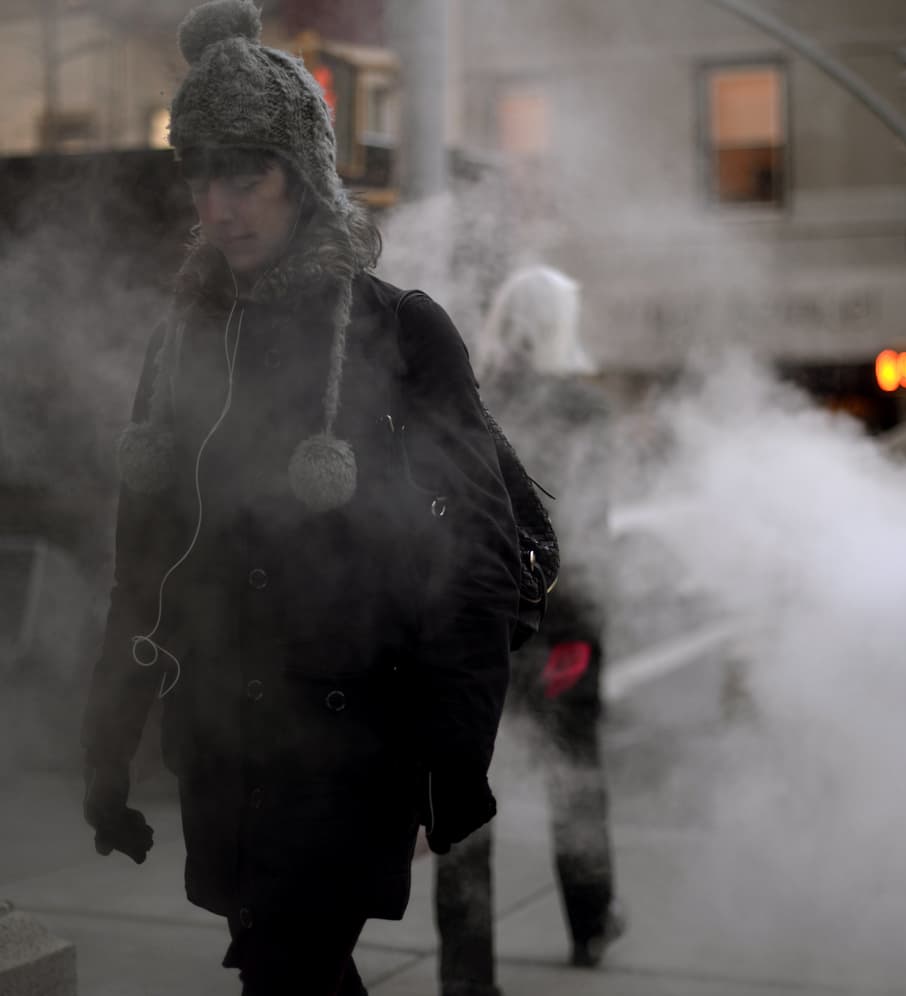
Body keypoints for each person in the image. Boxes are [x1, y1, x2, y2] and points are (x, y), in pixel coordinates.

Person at [78, 3, 520, 994]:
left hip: (349, 748)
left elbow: (476, 562)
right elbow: (143, 563)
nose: (217, 204)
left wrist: (449, 765)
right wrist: (108, 745)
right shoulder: (181, 345)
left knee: (291, 965)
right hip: (224, 750)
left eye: (245, 173)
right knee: (287, 974)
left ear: (304, 175)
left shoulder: (403, 332)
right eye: (199, 174)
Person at [433, 266, 625, 996]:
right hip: (560, 627)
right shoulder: (585, 409)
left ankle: (466, 974)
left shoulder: (471, 400)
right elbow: (588, 532)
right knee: (574, 778)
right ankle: (592, 922)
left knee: (464, 787)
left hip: (470, 626)